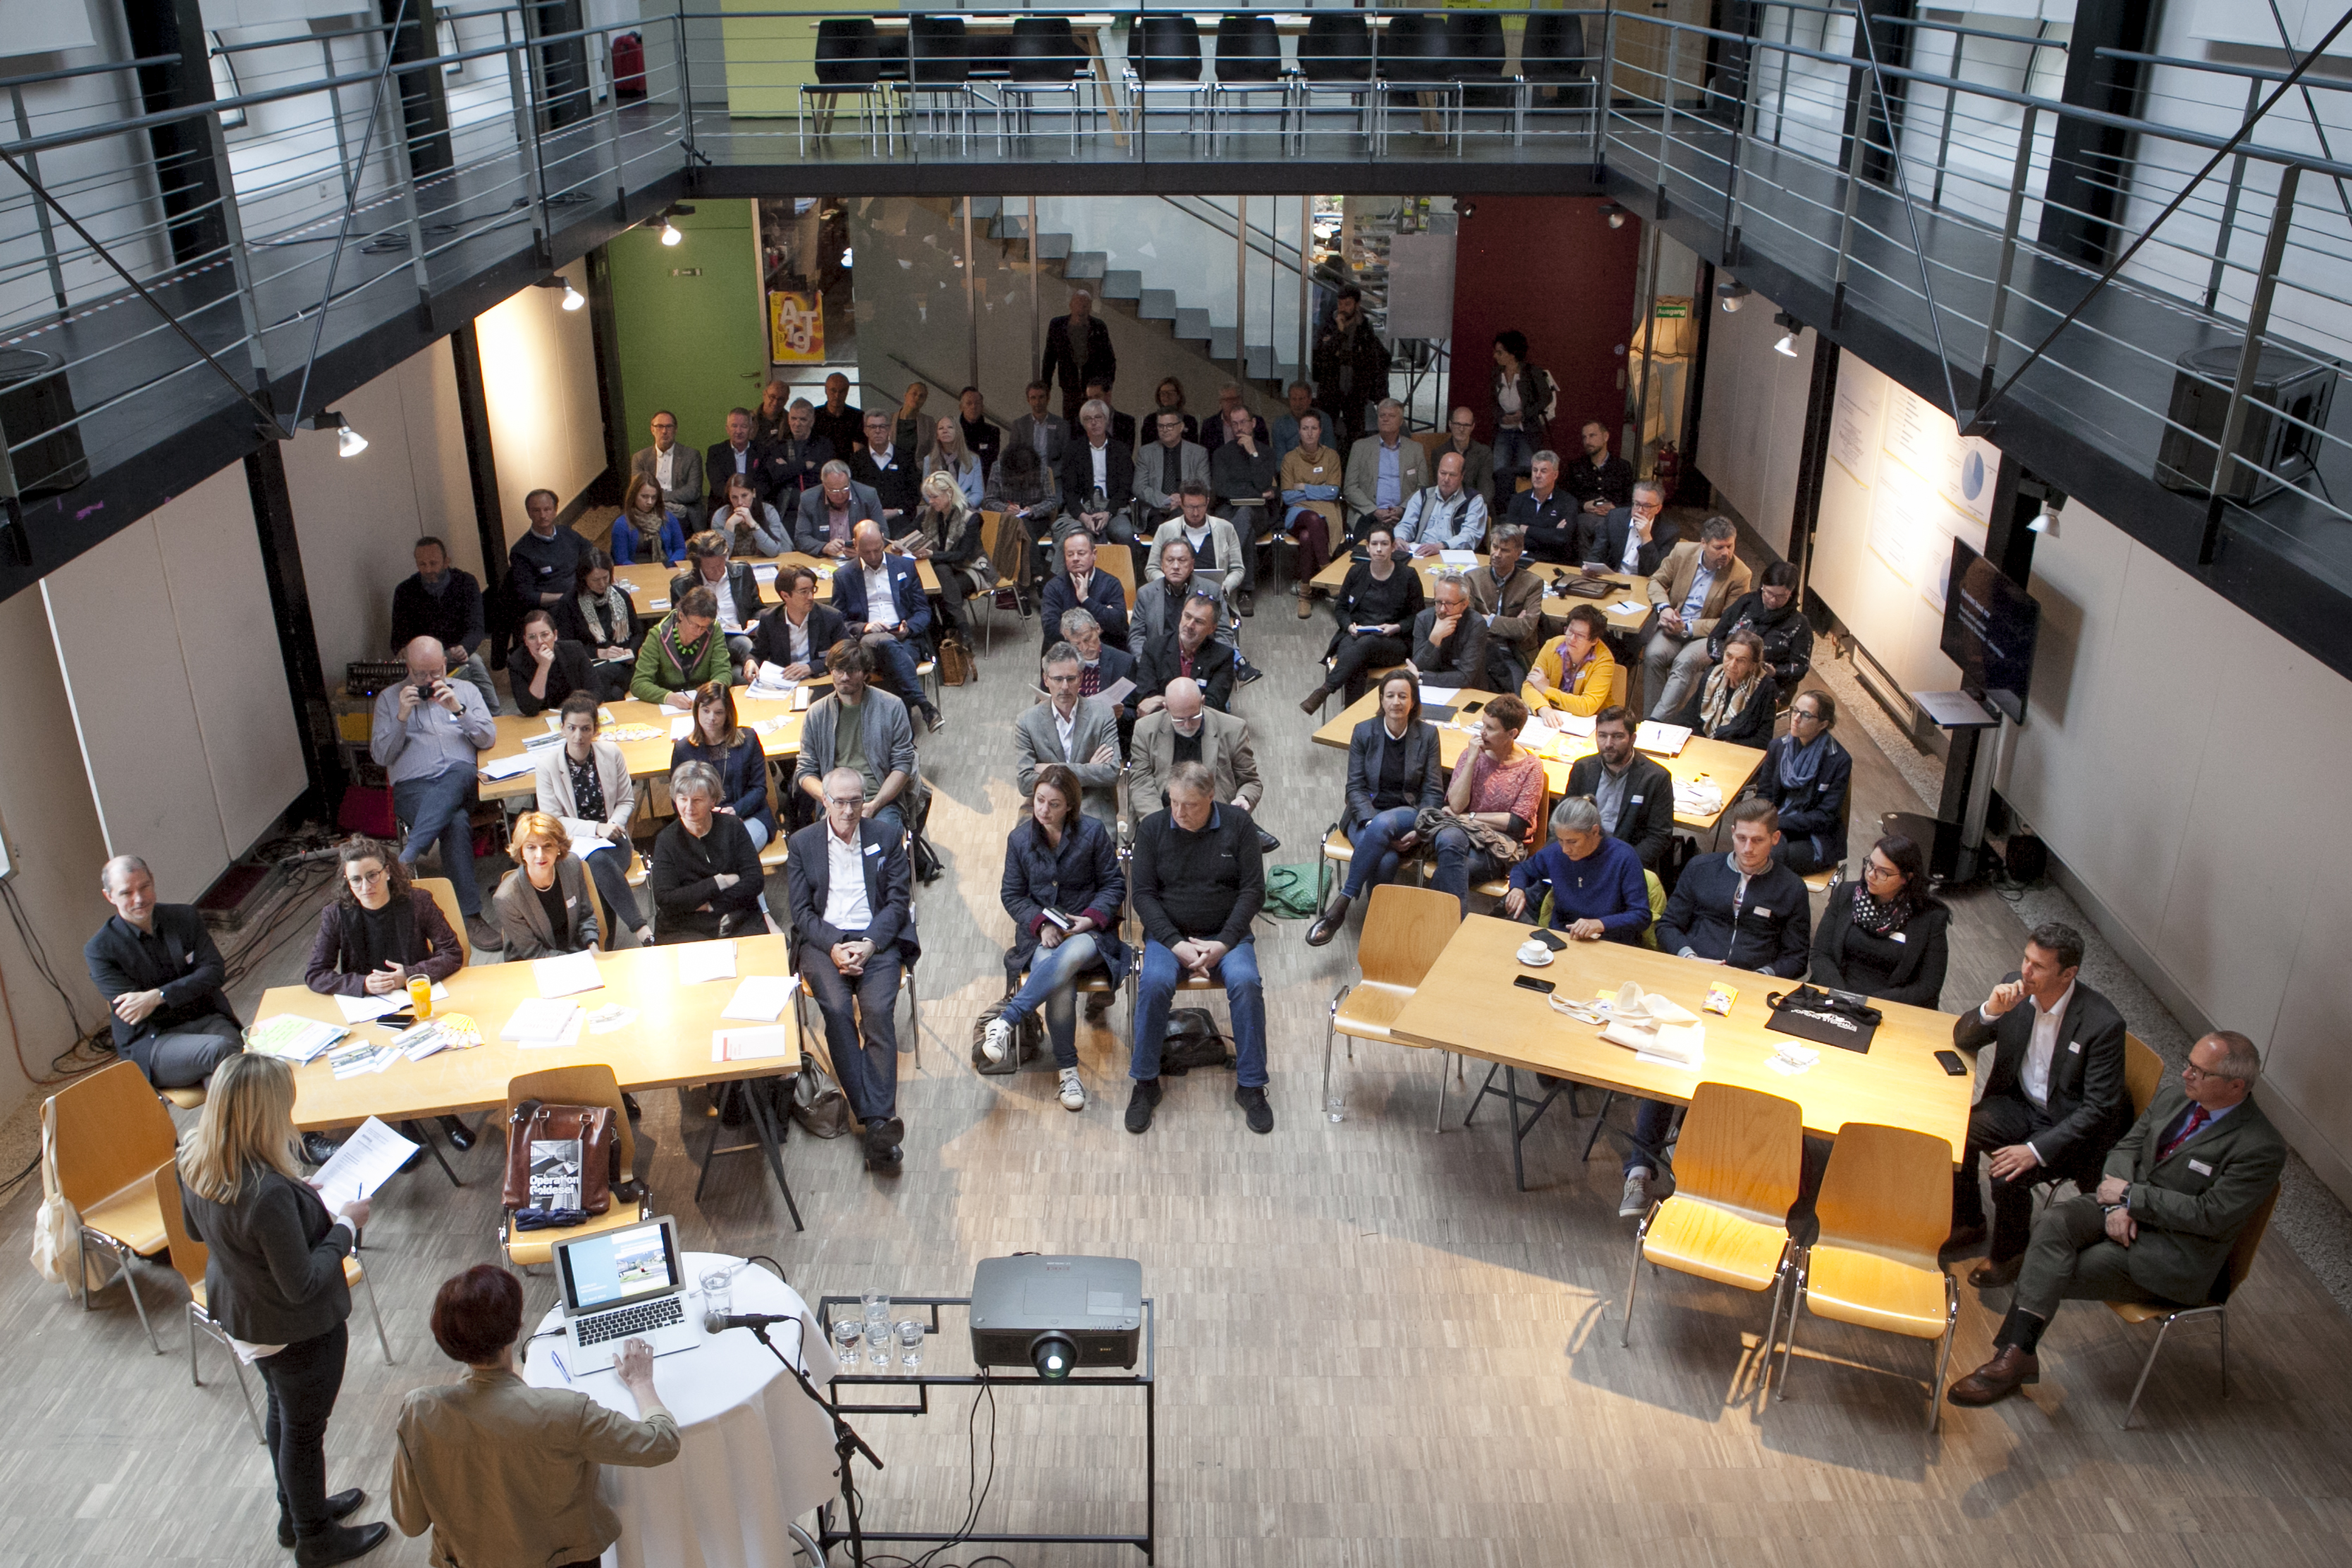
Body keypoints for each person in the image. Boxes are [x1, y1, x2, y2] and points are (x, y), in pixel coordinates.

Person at [1946, 1030, 2286, 1409]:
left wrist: (2131, 1197)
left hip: (2174, 1249)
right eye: (2188, 1064)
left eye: (2200, 1072)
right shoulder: (2176, 1098)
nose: (2186, 1075)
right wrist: (2118, 1207)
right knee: (2054, 1223)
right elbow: (2126, 1148)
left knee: (2054, 1266)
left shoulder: (2261, 1147)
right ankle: (2017, 1358)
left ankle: (2011, 1360)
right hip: (2124, 1207)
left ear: (2236, 1085)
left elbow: (2211, 1215)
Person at [177, 1054, 386, 1567]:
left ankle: (295, 1515)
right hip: (294, 1327)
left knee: (284, 1413)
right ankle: (316, 1539)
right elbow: (304, 1284)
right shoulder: (266, 1192)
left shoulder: (195, 1155)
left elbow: (195, 1230)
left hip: (245, 1314)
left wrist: (295, 1202)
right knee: (303, 1431)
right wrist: (346, 1225)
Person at [390, 1264, 679, 1567]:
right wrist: (641, 1383)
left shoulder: (418, 1411)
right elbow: (663, 1442)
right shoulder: (563, 1413)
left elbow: (410, 1523)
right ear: (517, 1329)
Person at [1629, 800, 1811, 1215]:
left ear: (1775, 839)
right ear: (1731, 834)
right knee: (1667, 1067)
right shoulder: (1701, 869)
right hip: (1694, 982)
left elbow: (1797, 956)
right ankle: (1639, 1169)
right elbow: (1669, 926)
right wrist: (1691, 958)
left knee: (1729, 1079)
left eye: (1758, 840)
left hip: (1751, 997)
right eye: (1741, 838)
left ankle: (1701, 1168)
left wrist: (1761, 976)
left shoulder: (1791, 889)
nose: (1747, 848)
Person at [1944, 921, 2130, 1283]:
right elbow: (1964, 1039)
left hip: (2068, 1126)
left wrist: (2035, 1150)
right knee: (1957, 1131)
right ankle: (1968, 1220)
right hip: (2021, 1104)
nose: (2025, 972)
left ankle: (2010, 1254)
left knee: (2008, 1174)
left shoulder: (2102, 1024)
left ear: (2068, 974)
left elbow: (2098, 1110)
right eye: (2026, 959)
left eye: (2039, 966)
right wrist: (1991, 1010)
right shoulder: (2015, 990)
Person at [1126, 762, 1272, 1136]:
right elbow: (1142, 895)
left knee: (1247, 984)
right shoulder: (1152, 828)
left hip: (1226, 936)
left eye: (1189, 804)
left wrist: (1223, 943)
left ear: (1211, 797)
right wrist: (1176, 944)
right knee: (1153, 984)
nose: (1179, 812)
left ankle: (1252, 1085)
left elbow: (1253, 891)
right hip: (1169, 937)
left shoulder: (1239, 826)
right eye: (1174, 802)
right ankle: (1145, 1082)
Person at [787, 767, 919, 1170]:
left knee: (877, 1012)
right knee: (838, 1010)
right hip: (823, 941)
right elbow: (801, 912)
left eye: (856, 801)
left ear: (865, 801)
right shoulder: (803, 843)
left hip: (875, 939)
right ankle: (878, 1122)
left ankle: (874, 1123)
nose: (848, 811)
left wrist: (870, 943)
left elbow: (897, 902)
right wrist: (833, 946)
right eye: (840, 802)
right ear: (824, 801)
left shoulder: (885, 836)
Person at [304, 837, 471, 1156]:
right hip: (368, 1009)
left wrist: (409, 974)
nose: (365, 886)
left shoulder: (417, 902)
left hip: (416, 1000)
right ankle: (408, 1121)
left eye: (372, 876)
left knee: (424, 1043)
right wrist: (363, 984)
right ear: (347, 880)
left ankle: (442, 1112)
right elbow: (315, 974)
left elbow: (452, 952)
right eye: (356, 879)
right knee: (386, 1054)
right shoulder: (336, 914)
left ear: (388, 871)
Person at [985, 764, 1130, 1109]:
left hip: (1089, 932)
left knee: (1071, 955)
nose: (1044, 810)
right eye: (1039, 800)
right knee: (1060, 985)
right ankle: (1069, 1072)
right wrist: (1041, 925)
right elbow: (1012, 895)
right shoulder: (1019, 839)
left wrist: (1090, 919)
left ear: (1070, 807)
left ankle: (1007, 1020)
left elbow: (1114, 885)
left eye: (1054, 804)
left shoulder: (1093, 832)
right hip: (1041, 935)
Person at [370, 637, 502, 952]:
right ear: (408, 668)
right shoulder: (388, 699)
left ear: (445, 664)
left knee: (462, 770)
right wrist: (401, 717)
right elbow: (381, 756)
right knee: (454, 821)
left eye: (435, 672)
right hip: (413, 788)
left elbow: (487, 738)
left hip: (462, 781)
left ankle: (408, 855)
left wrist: (459, 710)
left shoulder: (466, 690)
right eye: (420, 674)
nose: (429, 681)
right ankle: (471, 917)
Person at [1306, 671, 1442, 947]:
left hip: (1407, 814)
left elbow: (1433, 791)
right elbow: (1354, 788)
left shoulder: (1428, 735)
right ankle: (1377, 922)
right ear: (1381, 699)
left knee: (1385, 823)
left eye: (1403, 696)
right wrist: (1371, 823)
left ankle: (1341, 905)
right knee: (1387, 859)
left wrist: (1420, 829)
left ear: (1413, 702)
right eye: (1390, 695)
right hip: (1364, 816)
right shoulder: (1364, 731)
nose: (1396, 702)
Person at [83, 854, 240, 1089]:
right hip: (154, 1041)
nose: (139, 899)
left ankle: (225, 1113)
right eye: (126, 893)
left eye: (144, 887)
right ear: (110, 896)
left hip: (207, 1020)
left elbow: (215, 972)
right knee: (226, 1053)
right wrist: (190, 986)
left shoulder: (184, 917)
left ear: (153, 880)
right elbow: (135, 1012)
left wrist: (158, 996)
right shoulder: (100, 950)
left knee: (228, 1072)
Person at [531, 693, 653, 947]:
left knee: (597, 869)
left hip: (614, 839)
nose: (578, 736)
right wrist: (597, 828)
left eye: (586, 729)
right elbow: (553, 820)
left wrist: (612, 826)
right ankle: (639, 929)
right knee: (596, 864)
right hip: (573, 845)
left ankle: (600, 947)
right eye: (572, 728)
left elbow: (626, 801)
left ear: (596, 730)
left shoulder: (611, 753)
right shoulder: (547, 766)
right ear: (562, 728)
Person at [1429, 694, 1545, 912]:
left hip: (1501, 845)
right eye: (1483, 724)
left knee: (1451, 870)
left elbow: (1516, 823)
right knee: (1448, 838)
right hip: (1465, 832)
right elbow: (1455, 806)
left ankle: (1444, 923)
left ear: (1512, 734)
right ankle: (1451, 927)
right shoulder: (1471, 753)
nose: (1482, 732)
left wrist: (1469, 817)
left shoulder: (1531, 767)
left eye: (1490, 728)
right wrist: (1471, 761)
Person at [793, 641, 917, 841]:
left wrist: (875, 804)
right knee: (829, 851)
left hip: (878, 801)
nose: (844, 677)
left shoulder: (892, 707)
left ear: (865, 673)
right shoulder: (816, 713)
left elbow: (903, 764)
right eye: (838, 670)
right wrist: (831, 801)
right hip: (835, 804)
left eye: (852, 671)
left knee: (878, 847)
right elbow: (805, 771)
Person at [1808, 832, 1949, 1007]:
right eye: (1871, 864)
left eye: (1883, 872)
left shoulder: (1930, 917)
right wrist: (1843, 998)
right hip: (1837, 994)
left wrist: (1868, 1004)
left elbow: (1928, 986)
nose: (1871, 875)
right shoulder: (1846, 894)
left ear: (1906, 878)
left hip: (1890, 1004)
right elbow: (1821, 954)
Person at [1300, 523, 1424, 714]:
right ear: (1367, 547)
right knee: (1356, 659)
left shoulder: (1408, 576)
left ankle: (1326, 690)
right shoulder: (1357, 572)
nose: (1379, 549)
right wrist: (1349, 626)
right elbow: (1341, 608)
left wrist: (1397, 627)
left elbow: (1419, 616)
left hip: (1393, 641)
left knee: (1364, 646)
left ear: (1393, 547)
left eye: (1384, 544)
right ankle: (1353, 717)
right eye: (1374, 544)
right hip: (1356, 635)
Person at [831, 521, 942, 729]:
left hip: (905, 639)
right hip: (869, 642)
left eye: (877, 549)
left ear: (883, 540)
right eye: (867, 552)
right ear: (855, 545)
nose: (874, 556)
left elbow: (923, 610)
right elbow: (839, 621)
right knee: (888, 647)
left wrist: (909, 628)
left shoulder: (905, 566)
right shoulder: (844, 576)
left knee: (896, 666)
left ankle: (903, 737)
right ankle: (925, 706)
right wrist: (864, 627)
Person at [1642, 517, 1753, 720]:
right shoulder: (1682, 552)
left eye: (1730, 546)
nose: (1726, 553)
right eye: (1719, 547)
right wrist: (1664, 608)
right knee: (1653, 654)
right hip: (1673, 624)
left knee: (1685, 662)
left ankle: (1654, 721)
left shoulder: (1741, 575)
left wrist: (1687, 628)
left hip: (1708, 635)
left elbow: (1729, 621)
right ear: (1703, 543)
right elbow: (1656, 581)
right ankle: (1650, 719)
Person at [1503, 796, 1651, 943]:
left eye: (1572, 842)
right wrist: (1517, 888)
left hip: (1609, 941)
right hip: (1563, 936)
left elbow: (1641, 915)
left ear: (1594, 831)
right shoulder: (1556, 852)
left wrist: (1600, 924)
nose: (1565, 849)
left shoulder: (1623, 856)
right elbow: (1523, 870)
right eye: (1560, 840)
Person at [649, 760, 765, 944]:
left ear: (713, 800)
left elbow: (754, 880)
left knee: (756, 954)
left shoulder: (732, 826)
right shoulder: (666, 839)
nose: (689, 808)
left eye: (697, 800)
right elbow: (666, 899)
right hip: (684, 925)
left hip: (736, 914)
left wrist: (712, 905)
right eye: (683, 799)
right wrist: (719, 882)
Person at [1016, 642, 1122, 826]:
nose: (1065, 687)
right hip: (1046, 811)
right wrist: (1089, 768)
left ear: (1081, 678)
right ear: (1046, 680)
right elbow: (1025, 783)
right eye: (1058, 679)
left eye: (1071, 679)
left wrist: (1053, 768)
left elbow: (1111, 772)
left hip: (1093, 808)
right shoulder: (1027, 721)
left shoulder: (1103, 714)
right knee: (1021, 840)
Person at [1129, 678, 1260, 822]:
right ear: (1166, 708)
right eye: (1179, 720)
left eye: (1194, 717)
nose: (1187, 725)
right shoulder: (1145, 729)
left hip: (1216, 821)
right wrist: (1158, 824)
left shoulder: (1233, 729)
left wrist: (1244, 797)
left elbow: (1250, 781)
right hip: (1162, 814)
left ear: (1202, 702)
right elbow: (1141, 782)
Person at [389, 537, 495, 711]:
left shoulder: (466, 582)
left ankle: (494, 712)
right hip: (422, 658)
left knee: (474, 662)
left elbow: (476, 627)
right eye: (422, 564)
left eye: (433, 563)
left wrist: (464, 648)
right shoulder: (405, 591)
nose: (428, 570)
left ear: (446, 562)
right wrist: (403, 650)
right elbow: (398, 637)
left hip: (454, 652)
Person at [1563, 705, 1675, 870]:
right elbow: (1565, 820)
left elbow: (1659, 837)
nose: (1608, 744)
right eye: (1602, 736)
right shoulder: (1583, 768)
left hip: (1626, 863)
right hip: (1581, 857)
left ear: (1632, 739)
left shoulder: (1656, 778)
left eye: (1617, 736)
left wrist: (1620, 866)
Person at [670, 680, 777, 851]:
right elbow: (677, 796)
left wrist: (735, 810)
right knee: (707, 853)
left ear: (728, 713)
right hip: (702, 819)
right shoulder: (683, 750)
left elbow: (759, 788)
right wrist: (705, 816)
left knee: (735, 850)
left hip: (748, 815)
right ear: (697, 711)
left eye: (719, 712)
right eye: (706, 711)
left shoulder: (749, 740)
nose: (711, 718)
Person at [1752, 690, 1848, 872]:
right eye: (1795, 710)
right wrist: (1767, 822)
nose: (1796, 719)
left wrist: (1778, 822)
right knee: (1753, 849)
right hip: (1776, 824)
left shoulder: (1838, 760)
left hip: (1814, 835)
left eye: (1806, 715)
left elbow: (1825, 816)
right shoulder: (1777, 747)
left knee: (1769, 858)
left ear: (1823, 724)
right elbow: (1765, 794)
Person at [491, 813, 603, 958]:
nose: (540, 855)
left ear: (559, 847)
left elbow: (585, 915)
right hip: (531, 964)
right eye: (531, 847)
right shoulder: (506, 898)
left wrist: (593, 947)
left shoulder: (572, 865)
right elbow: (533, 952)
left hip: (575, 954)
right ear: (521, 851)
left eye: (547, 845)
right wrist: (577, 961)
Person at [1209, 403, 1279, 611]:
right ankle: (1246, 591)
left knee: (1246, 512)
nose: (1239, 428)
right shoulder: (1221, 454)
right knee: (1245, 529)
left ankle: (1223, 566)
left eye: (1243, 422)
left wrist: (1253, 454)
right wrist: (1257, 493)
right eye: (1234, 424)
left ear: (1253, 423)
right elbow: (1223, 489)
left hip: (1259, 512)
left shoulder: (1266, 453)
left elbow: (1264, 483)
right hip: (1228, 510)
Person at [1708, 560, 1814, 691]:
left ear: (1791, 594)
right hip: (1728, 672)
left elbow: (1801, 667)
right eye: (1769, 593)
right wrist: (1728, 660)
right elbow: (1715, 638)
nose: (1773, 600)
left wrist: (1775, 672)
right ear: (1762, 586)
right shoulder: (1745, 603)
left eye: (1781, 596)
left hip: (1767, 685)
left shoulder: (1800, 624)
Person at [904, 471, 984, 646]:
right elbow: (909, 530)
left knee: (937, 589)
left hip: (970, 568)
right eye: (929, 497)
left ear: (949, 492)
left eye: (935, 497)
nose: (931, 501)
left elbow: (962, 555)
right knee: (940, 573)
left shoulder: (970, 517)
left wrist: (932, 554)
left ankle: (941, 633)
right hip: (943, 567)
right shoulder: (932, 512)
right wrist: (896, 542)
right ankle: (957, 631)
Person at [1144, 487, 1241, 628]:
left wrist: (1225, 587)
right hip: (1174, 598)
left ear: (1207, 503)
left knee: (1216, 630)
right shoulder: (1166, 529)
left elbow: (1238, 569)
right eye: (1190, 507)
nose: (1195, 513)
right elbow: (1152, 568)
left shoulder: (1225, 528)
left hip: (1214, 599)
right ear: (1182, 504)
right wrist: (1169, 582)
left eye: (1200, 507)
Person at [1466, 522, 1546, 691]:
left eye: (1504, 550)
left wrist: (1488, 620)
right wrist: (1511, 624)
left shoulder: (1533, 584)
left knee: (1515, 695)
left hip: (1512, 654)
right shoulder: (1472, 578)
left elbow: (1525, 629)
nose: (1497, 554)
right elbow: (1468, 623)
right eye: (1495, 547)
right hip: (1480, 651)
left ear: (1518, 554)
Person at [1278, 409, 1343, 615]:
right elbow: (1288, 497)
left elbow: (1333, 492)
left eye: (1314, 428)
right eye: (1305, 428)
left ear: (1320, 431)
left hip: (1327, 513)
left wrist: (1304, 488)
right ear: (1299, 431)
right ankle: (1327, 571)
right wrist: (1319, 490)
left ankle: (1305, 595)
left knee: (1307, 537)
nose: (1309, 433)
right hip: (1298, 514)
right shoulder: (1290, 459)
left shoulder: (1331, 456)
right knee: (1312, 518)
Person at [555, 548, 640, 701]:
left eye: (605, 577)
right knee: (607, 685)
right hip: (591, 664)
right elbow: (566, 646)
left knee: (607, 684)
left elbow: (638, 633)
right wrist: (599, 653)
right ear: (584, 578)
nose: (602, 584)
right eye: (595, 580)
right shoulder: (568, 603)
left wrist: (631, 651)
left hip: (624, 663)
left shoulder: (621, 596)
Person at [1312, 283, 1390, 450]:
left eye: (1348, 304)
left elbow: (1374, 359)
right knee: (1326, 432)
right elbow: (1323, 355)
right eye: (1340, 304)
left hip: (1355, 391)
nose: (1343, 308)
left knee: (1356, 435)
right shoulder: (1329, 323)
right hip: (1330, 389)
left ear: (1357, 304)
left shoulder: (1364, 328)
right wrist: (1339, 333)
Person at [1137, 591, 1240, 715]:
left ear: (1212, 629)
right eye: (1187, 616)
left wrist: (1162, 700)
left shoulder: (1223, 656)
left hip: (1203, 723)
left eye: (1199, 622)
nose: (1190, 625)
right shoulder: (1154, 648)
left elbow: (1213, 705)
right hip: (1161, 721)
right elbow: (1147, 701)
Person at [1057, 398, 1139, 552]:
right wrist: (1083, 516)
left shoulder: (1120, 450)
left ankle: (1129, 568)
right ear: (1083, 424)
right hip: (1083, 509)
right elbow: (1069, 491)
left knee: (1125, 533)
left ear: (1106, 420)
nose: (1094, 423)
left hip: (1113, 509)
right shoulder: (1073, 451)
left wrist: (1108, 513)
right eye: (1088, 419)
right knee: (1075, 536)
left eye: (1098, 417)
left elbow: (1125, 488)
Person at [629, 586, 731, 710]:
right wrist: (669, 697)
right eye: (695, 625)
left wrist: (710, 690)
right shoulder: (658, 635)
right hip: (668, 705)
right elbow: (639, 683)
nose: (699, 632)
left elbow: (723, 672)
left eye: (704, 627)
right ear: (681, 615)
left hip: (703, 704)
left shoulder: (714, 629)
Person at [1343, 399, 1429, 541]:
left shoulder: (1415, 450)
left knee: (1409, 546)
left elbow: (1422, 488)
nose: (1385, 419)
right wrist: (1374, 511)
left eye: (1391, 416)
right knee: (1368, 548)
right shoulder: (1360, 447)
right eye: (1382, 415)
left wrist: (1402, 509)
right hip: (1368, 514)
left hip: (1405, 515)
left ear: (1401, 421)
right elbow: (1350, 488)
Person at [747, 562, 846, 685]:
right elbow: (757, 653)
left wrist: (811, 667)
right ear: (785, 595)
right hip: (784, 681)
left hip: (818, 680)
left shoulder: (831, 617)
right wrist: (751, 662)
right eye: (804, 592)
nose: (811, 597)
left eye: (812, 590)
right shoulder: (769, 619)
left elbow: (846, 653)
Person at [1039, 530, 1131, 657]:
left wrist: (1086, 600)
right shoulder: (1053, 587)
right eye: (1070, 554)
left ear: (1094, 555)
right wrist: (1093, 629)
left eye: (1081, 553)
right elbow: (1051, 628)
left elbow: (1118, 623)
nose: (1075, 558)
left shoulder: (1111, 583)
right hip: (1067, 654)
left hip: (1106, 650)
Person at [1133, 534, 1227, 650]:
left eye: (1182, 561)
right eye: (1170, 560)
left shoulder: (1212, 590)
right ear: (1162, 564)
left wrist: (1214, 659)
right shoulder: (1146, 593)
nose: (1176, 566)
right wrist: (1146, 660)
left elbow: (1223, 633)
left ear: (1192, 565)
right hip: (1158, 657)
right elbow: (1136, 637)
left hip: (1201, 657)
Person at [506, 487, 589, 617]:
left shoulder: (567, 533)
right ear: (529, 513)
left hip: (582, 597)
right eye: (536, 510)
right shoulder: (521, 552)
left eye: (547, 509)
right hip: (553, 609)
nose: (543, 515)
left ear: (555, 511)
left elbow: (592, 554)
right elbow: (527, 596)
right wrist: (566, 597)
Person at [1489, 329, 1556, 487]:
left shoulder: (1532, 372)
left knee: (1526, 471)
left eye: (1500, 352)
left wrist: (1524, 414)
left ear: (1512, 354)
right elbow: (1492, 402)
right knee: (1498, 470)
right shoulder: (1496, 373)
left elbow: (1546, 398)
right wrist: (1501, 416)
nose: (1495, 356)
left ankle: (1524, 500)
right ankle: (1501, 500)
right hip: (1504, 429)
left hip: (1527, 431)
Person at [1522, 603, 1615, 717]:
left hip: (1590, 721)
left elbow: (1587, 706)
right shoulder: (1552, 645)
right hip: (1552, 713)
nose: (1571, 639)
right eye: (1570, 631)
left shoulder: (1604, 660)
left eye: (1580, 636)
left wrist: (1545, 689)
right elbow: (1529, 685)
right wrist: (1543, 709)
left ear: (1594, 640)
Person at [987, 442, 1061, 584]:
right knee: (1021, 526)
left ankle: (1020, 584)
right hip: (1007, 521)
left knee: (1023, 527)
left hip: (1037, 520)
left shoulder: (1042, 470)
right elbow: (990, 500)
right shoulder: (998, 468)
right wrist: (1005, 508)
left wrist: (1033, 510)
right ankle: (1037, 576)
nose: (1021, 478)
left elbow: (1051, 501)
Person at [1687, 629, 1778, 746]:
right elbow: (1689, 718)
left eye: (1741, 661)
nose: (1732, 664)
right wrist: (1703, 743)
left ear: (1752, 665)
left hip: (1736, 750)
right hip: (1703, 745)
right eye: (1729, 656)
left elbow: (1762, 739)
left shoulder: (1765, 687)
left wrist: (1724, 746)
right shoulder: (1711, 676)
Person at [1042, 288, 1116, 422]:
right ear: (1071, 305)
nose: (1081, 306)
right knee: (1071, 424)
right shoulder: (1057, 325)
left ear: (1090, 307)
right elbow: (1049, 359)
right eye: (1078, 302)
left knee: (1094, 422)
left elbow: (1109, 360)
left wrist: (1107, 388)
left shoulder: (1099, 327)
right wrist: (1046, 388)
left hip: (1094, 388)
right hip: (1069, 387)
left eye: (1085, 303)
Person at [1580, 479, 1680, 578]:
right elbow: (1597, 553)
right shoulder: (1615, 517)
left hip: (1644, 581)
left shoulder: (1670, 532)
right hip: (1613, 577)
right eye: (1637, 504)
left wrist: (1646, 537)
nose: (1639, 510)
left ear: (1658, 509)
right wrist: (1590, 567)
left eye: (1647, 506)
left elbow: (1658, 572)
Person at [1133, 407, 1211, 536]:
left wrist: (1182, 500)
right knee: (1165, 526)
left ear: (1181, 427)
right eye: (1161, 426)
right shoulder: (1146, 452)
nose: (1164, 430)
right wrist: (1167, 500)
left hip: (1187, 510)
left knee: (1180, 521)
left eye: (1169, 425)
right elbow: (1139, 487)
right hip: (1156, 509)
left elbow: (1204, 486)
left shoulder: (1198, 453)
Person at [504, 609, 593, 718]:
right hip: (539, 719)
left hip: (576, 713)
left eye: (545, 635)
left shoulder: (574, 649)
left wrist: (572, 713)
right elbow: (529, 709)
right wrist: (543, 667)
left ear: (555, 635)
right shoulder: (516, 662)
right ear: (525, 641)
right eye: (532, 637)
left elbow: (595, 690)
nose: (539, 641)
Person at [1395, 450, 1487, 556]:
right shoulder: (1423, 495)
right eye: (1443, 473)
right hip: (1421, 554)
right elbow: (1407, 524)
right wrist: (1400, 538)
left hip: (1454, 557)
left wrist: (1441, 546)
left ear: (1462, 476)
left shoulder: (1474, 500)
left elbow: (1471, 536)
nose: (1446, 479)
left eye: (1452, 475)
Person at [1408, 569, 1489, 687]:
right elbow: (1417, 667)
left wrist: (1423, 677)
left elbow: (1465, 677)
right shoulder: (1423, 619)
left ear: (1464, 604)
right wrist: (1434, 640)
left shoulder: (1476, 624)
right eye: (1438, 602)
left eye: (1449, 603)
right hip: (1428, 688)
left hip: (1468, 691)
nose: (1442, 609)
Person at [1061, 607, 1138, 727]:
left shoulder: (1124, 662)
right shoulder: (1061, 663)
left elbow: (1135, 713)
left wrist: (1120, 714)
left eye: (1087, 639)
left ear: (1098, 628)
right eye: (1076, 644)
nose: (1084, 648)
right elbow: (1044, 697)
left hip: (1107, 731)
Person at [794, 459, 885, 558]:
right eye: (833, 490)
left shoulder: (867, 495)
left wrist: (864, 550)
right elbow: (801, 538)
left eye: (845, 489)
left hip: (860, 558)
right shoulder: (809, 499)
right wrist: (824, 547)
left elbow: (883, 532)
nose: (840, 495)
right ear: (824, 485)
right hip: (825, 559)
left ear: (849, 481)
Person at [630, 409, 704, 529]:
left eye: (669, 427)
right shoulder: (640, 458)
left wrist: (660, 497)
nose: (664, 431)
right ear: (652, 430)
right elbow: (637, 490)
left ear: (676, 430)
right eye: (660, 426)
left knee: (672, 523)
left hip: (682, 511)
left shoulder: (691, 456)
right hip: (650, 509)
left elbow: (693, 491)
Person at [1505, 450, 1579, 564]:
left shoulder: (1568, 502)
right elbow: (1512, 537)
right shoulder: (1518, 499)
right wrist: (1551, 532)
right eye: (1535, 470)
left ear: (1555, 475)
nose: (1537, 475)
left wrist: (1527, 529)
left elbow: (1562, 538)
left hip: (1554, 562)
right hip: (1522, 560)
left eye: (1543, 471)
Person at [853, 408, 918, 524]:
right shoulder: (857, 460)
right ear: (866, 431)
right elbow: (853, 494)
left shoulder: (905, 457)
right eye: (873, 427)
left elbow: (915, 493)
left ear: (890, 429)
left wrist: (897, 511)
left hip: (901, 520)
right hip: (867, 522)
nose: (878, 431)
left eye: (882, 426)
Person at [1563, 419, 1634, 520]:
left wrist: (1615, 509)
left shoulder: (1622, 467)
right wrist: (1583, 506)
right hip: (1584, 519)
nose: (1587, 441)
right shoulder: (1575, 467)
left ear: (1605, 437)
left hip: (1614, 519)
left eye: (1592, 436)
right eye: (1584, 437)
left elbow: (1630, 499)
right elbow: (1565, 498)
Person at [764, 396, 834, 499]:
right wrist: (805, 465)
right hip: (785, 504)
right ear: (788, 419)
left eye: (803, 419)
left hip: (816, 500)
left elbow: (824, 477)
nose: (797, 424)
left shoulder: (824, 445)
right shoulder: (778, 444)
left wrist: (789, 468)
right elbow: (776, 476)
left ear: (812, 421)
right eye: (794, 418)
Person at [611, 472, 686, 568]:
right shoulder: (621, 524)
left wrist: (669, 565)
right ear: (634, 495)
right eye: (644, 496)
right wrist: (646, 571)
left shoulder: (668, 518)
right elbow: (622, 560)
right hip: (636, 571)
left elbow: (680, 549)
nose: (650, 502)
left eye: (654, 497)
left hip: (666, 568)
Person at [1437, 405, 1498, 514]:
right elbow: (1441, 488)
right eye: (1458, 424)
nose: (1462, 429)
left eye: (1466, 425)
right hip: (1448, 509)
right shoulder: (1440, 453)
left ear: (1473, 427)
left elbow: (1486, 488)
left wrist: (1473, 510)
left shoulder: (1484, 453)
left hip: (1477, 508)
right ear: (1450, 424)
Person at [704, 406, 769, 509]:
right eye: (734, 426)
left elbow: (764, 484)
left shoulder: (762, 451)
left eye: (744, 426)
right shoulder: (716, 452)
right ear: (727, 429)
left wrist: (746, 502)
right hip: (724, 506)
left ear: (751, 429)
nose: (739, 431)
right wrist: (736, 502)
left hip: (754, 506)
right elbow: (718, 486)